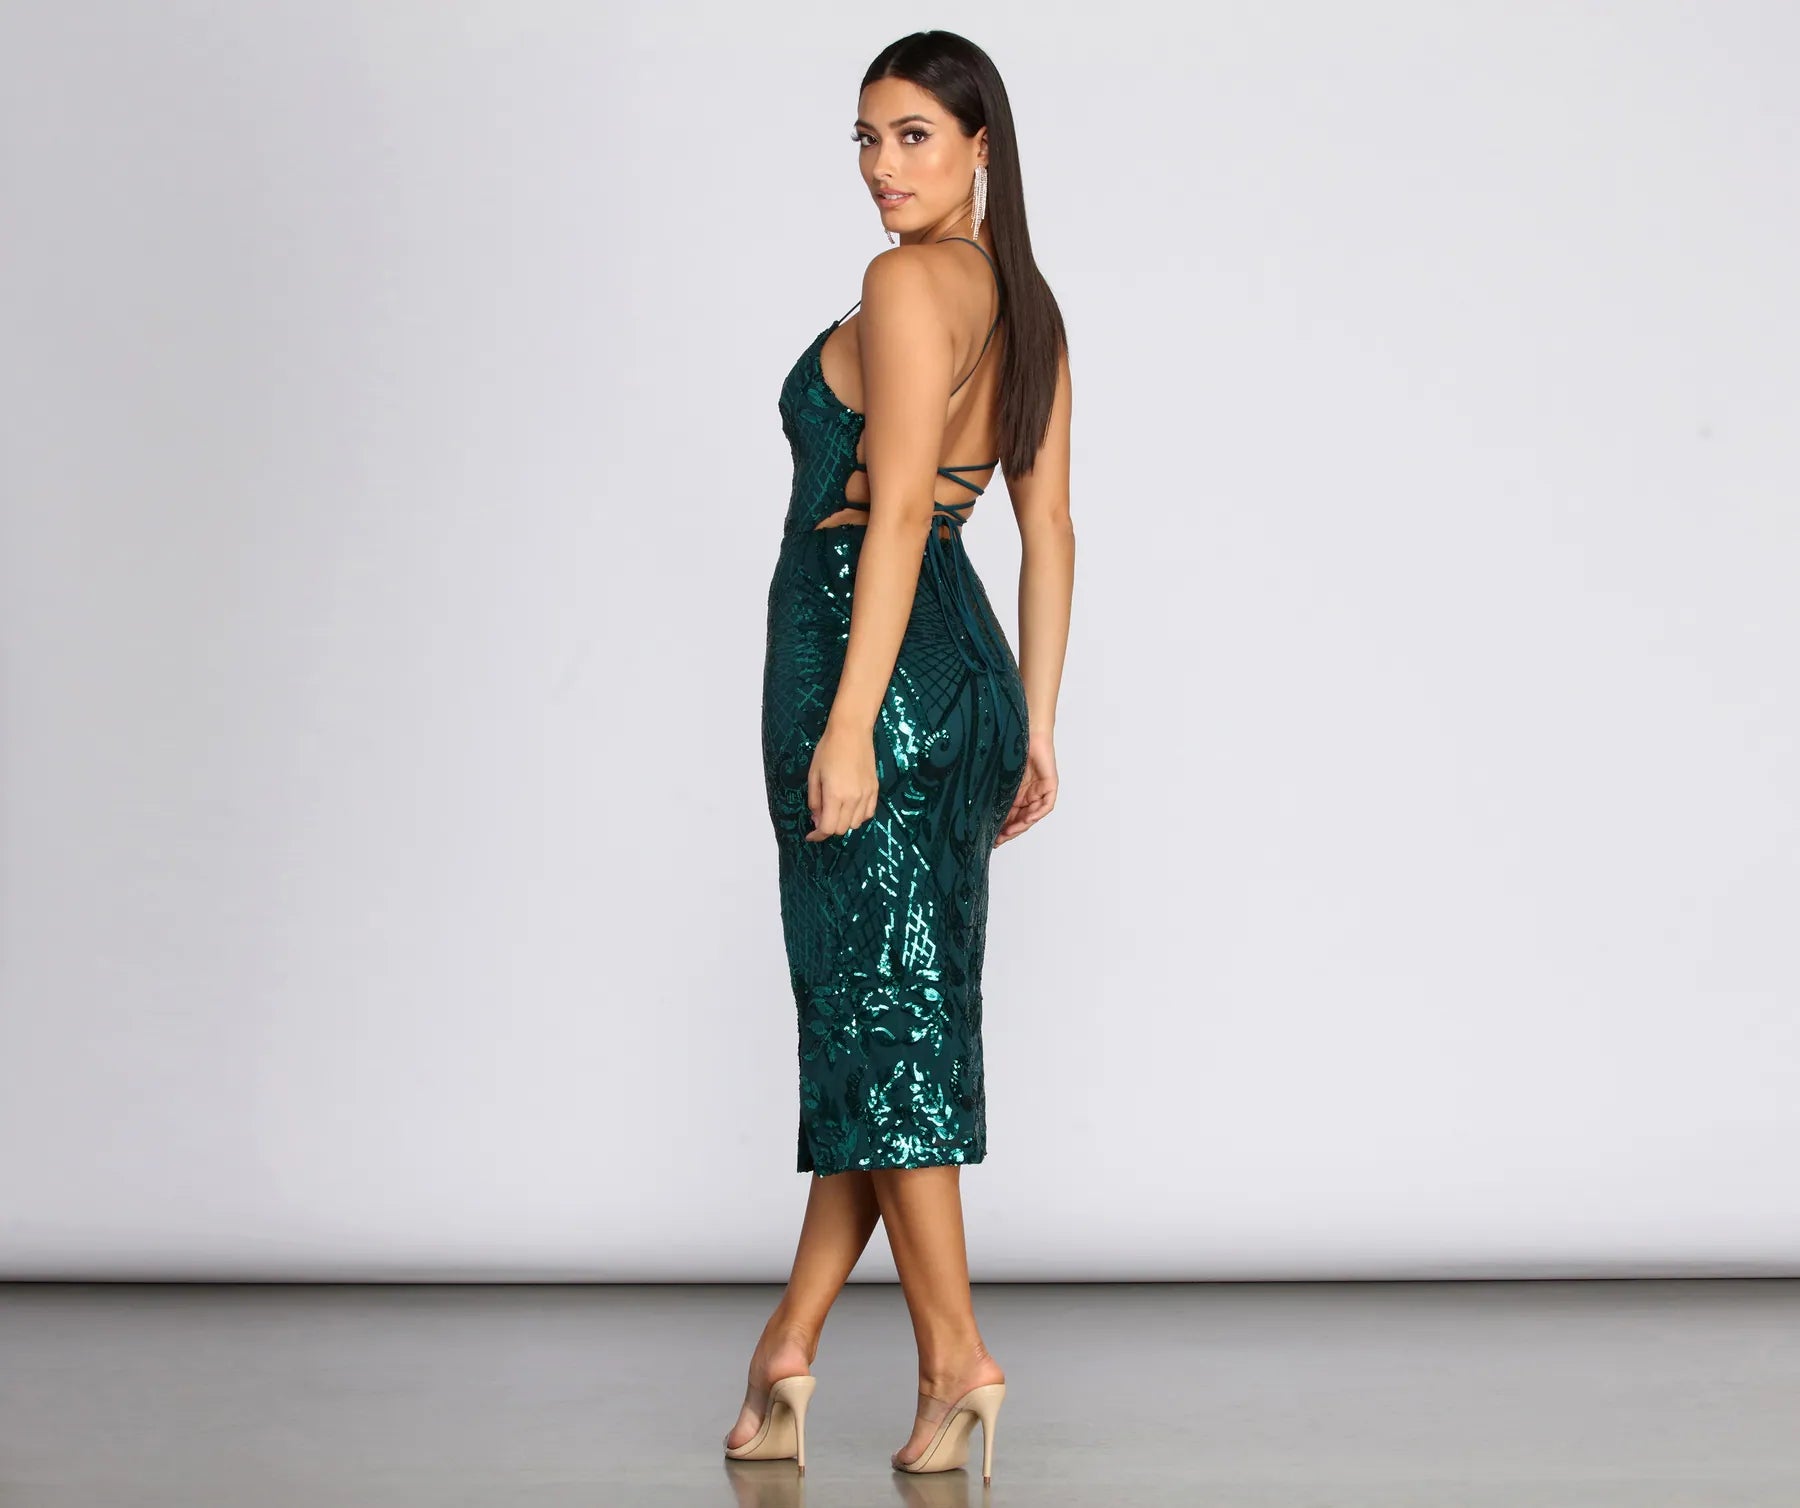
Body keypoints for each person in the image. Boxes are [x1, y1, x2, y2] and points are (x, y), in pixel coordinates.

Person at [728, 30, 1074, 1485]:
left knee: (879, 1023)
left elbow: (889, 524)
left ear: (982, 145)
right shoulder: (1029, 308)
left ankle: (954, 1356)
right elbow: (1045, 530)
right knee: (888, 1025)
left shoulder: (903, 284)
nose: (884, 166)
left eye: (915, 135)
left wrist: (852, 722)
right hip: (968, 672)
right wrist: (1034, 721)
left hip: (863, 661)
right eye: (867, 139)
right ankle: (790, 1343)